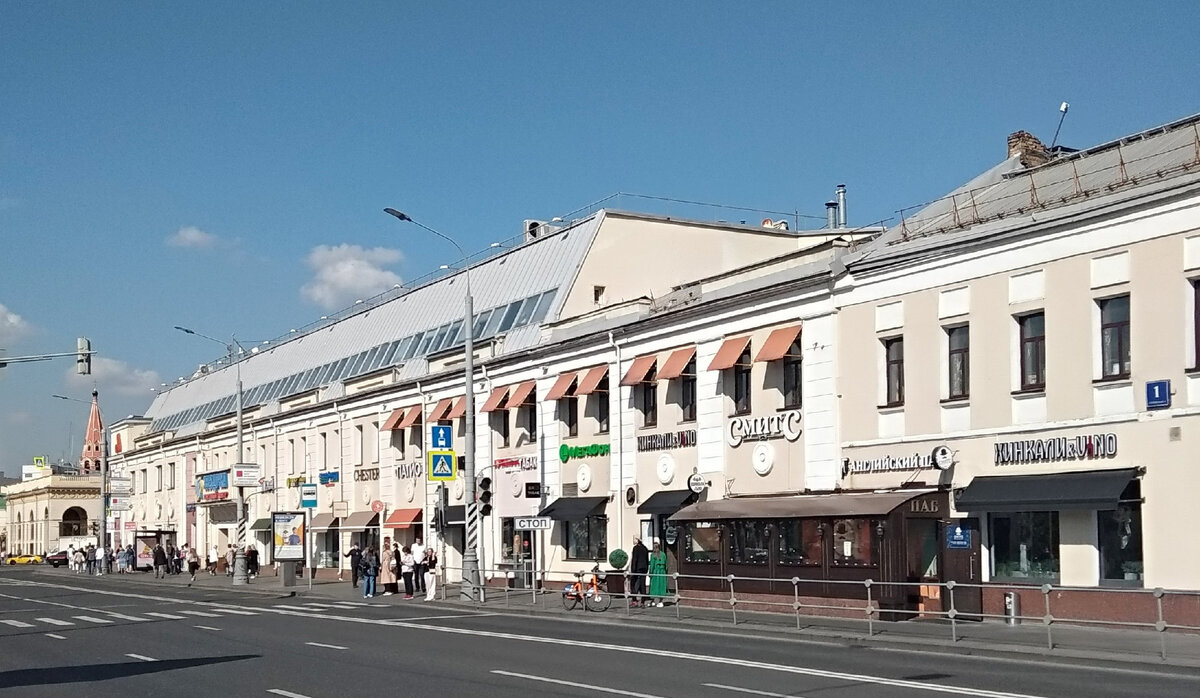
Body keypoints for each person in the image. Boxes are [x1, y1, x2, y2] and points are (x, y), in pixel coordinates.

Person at [647, 539, 669, 607]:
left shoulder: (653, 555)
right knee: (661, 586)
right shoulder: (663, 554)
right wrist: (666, 572)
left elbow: (652, 565)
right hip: (662, 572)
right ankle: (661, 601)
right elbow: (666, 564)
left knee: (654, 586)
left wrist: (650, 573)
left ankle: (653, 601)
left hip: (655, 571)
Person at [629, 536, 650, 607]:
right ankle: (642, 601)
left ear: (637, 540)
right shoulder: (645, 548)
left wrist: (633, 571)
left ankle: (634, 600)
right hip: (644, 569)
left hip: (637, 569)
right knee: (642, 585)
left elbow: (635, 560)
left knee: (634, 585)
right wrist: (646, 569)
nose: (633, 541)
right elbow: (647, 560)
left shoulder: (636, 548)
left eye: (634, 539)